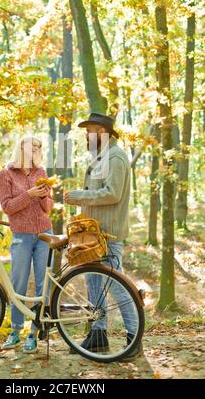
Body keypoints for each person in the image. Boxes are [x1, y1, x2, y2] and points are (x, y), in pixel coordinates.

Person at [64, 113, 143, 360]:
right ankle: (98, 336)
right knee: (94, 285)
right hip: (92, 235)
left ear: (102, 132)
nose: (87, 136)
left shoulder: (116, 157)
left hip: (108, 234)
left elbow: (112, 193)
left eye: (90, 131)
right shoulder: (101, 157)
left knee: (118, 288)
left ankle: (134, 341)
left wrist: (79, 196)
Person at [0, 135, 54, 353]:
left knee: (43, 286)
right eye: (33, 146)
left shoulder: (41, 172)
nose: (36, 149)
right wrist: (29, 194)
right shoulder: (6, 174)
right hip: (21, 235)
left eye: (39, 147)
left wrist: (44, 196)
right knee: (18, 283)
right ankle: (15, 330)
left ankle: (35, 333)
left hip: (45, 235)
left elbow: (48, 208)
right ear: (22, 147)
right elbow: (7, 207)